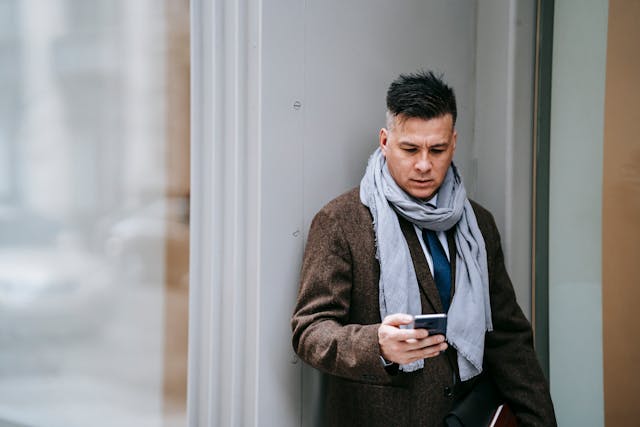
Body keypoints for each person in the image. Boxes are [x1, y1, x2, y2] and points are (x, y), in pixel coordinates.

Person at [291, 71, 556, 426]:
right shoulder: (340, 221)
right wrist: (378, 346)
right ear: (385, 141)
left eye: (437, 149)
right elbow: (310, 331)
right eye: (410, 148)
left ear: (454, 143)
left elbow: (508, 339)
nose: (424, 164)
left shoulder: (479, 224)